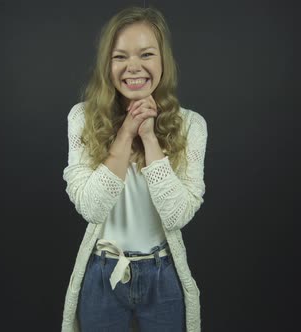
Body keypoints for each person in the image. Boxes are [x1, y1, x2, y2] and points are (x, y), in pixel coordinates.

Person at [61, 6, 207, 332]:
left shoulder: (191, 125)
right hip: (102, 273)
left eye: (146, 54)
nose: (133, 67)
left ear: (162, 62)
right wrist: (126, 132)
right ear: (107, 65)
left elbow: (177, 214)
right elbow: (91, 207)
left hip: (162, 274)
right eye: (120, 57)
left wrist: (149, 137)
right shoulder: (82, 119)